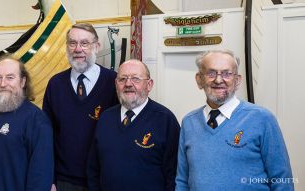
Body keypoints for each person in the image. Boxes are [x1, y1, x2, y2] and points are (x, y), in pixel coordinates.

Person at [176, 50, 294, 190]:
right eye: (211, 73)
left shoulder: (262, 119)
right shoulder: (189, 122)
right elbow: (182, 180)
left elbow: (282, 179)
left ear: (237, 80)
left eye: (226, 73)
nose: (219, 80)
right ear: (199, 80)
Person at [43, 23, 119, 191]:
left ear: (97, 46)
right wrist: (50, 179)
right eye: (72, 43)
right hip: (64, 181)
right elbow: (46, 137)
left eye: (84, 43)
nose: (78, 49)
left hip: (102, 181)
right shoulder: (55, 85)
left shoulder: (114, 83)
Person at [87, 59, 180, 191]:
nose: (128, 84)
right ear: (116, 84)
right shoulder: (105, 118)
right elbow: (93, 168)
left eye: (136, 79)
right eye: (122, 79)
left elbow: (174, 175)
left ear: (149, 84)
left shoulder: (165, 120)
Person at [0, 55, 53, 191]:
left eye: (10, 77)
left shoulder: (36, 120)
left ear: (22, 82)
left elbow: (41, 175)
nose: (3, 84)